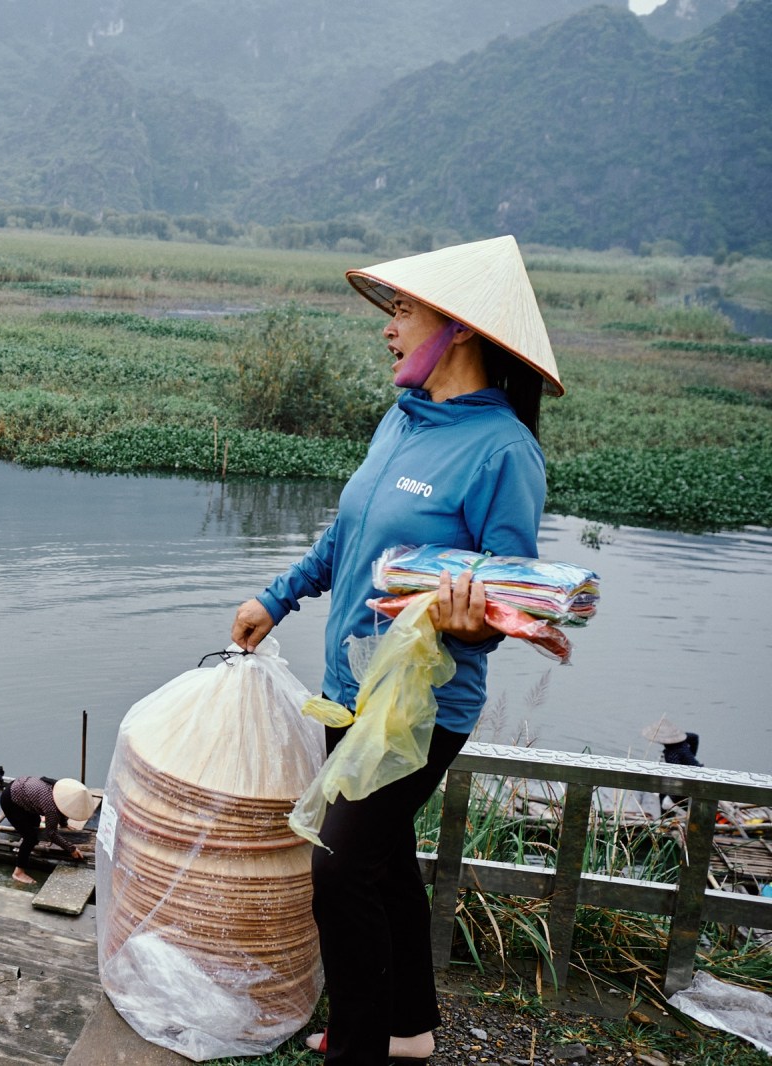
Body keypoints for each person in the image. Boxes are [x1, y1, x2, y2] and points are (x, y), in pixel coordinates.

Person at [230, 236, 560, 1066]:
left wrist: (469, 618)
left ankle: (362, 1048)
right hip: (353, 689)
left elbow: (509, 606)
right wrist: (277, 597)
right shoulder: (401, 419)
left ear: (461, 330)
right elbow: (348, 535)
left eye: (405, 311)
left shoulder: (504, 453)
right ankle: (410, 1030)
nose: (388, 327)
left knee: (340, 871)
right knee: (380, 865)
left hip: (421, 711)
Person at [0, 775, 98, 885]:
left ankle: (27, 849)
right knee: (30, 837)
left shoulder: (59, 788)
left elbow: (63, 807)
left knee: (35, 822)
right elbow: (51, 833)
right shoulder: (51, 808)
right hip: (11, 801)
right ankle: (18, 872)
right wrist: (71, 849)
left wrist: (64, 824)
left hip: (22, 790)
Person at [643, 717, 703, 808]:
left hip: (690, 782)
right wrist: (691, 755)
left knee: (664, 801)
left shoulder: (671, 754)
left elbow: (677, 775)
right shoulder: (684, 740)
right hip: (698, 770)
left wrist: (672, 796)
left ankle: (666, 818)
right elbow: (695, 737)